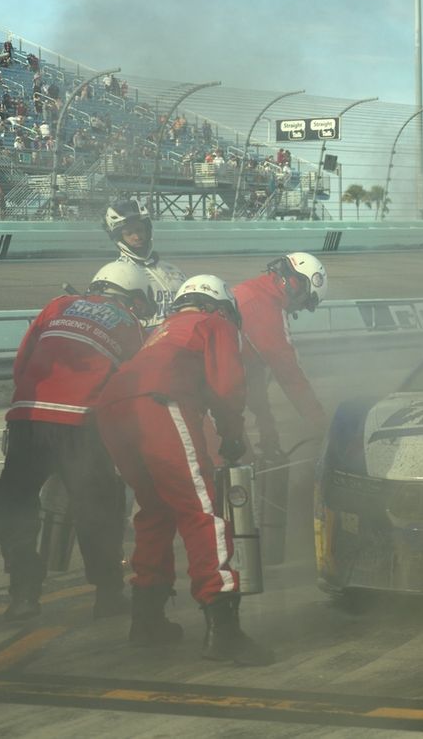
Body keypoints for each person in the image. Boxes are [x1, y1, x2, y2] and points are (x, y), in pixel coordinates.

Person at [95, 275, 274, 665]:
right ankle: (224, 630)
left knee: (154, 509)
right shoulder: (217, 323)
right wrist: (232, 435)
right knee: (202, 511)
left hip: (112, 410)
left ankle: (147, 620)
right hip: (160, 403)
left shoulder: (162, 329)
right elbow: (227, 387)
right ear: (222, 305)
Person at [0, 263, 157, 622]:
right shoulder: (130, 323)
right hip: (81, 423)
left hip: (29, 417)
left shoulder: (58, 305)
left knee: (15, 503)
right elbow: (131, 387)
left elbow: (23, 360)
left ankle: (23, 591)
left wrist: (23, 406)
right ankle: (108, 593)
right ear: (132, 296)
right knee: (98, 509)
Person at [233, 253, 328, 463]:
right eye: (305, 303)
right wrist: (322, 425)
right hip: (194, 389)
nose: (300, 308)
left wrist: (269, 437)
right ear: (301, 286)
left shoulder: (255, 288)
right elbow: (291, 376)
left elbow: (253, 379)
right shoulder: (266, 307)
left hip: (202, 384)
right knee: (237, 468)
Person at [102, 198, 186, 328]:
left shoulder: (172, 270)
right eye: (129, 233)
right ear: (119, 238)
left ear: (148, 230)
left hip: (178, 334)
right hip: (142, 340)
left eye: (140, 230)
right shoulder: (116, 274)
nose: (137, 237)